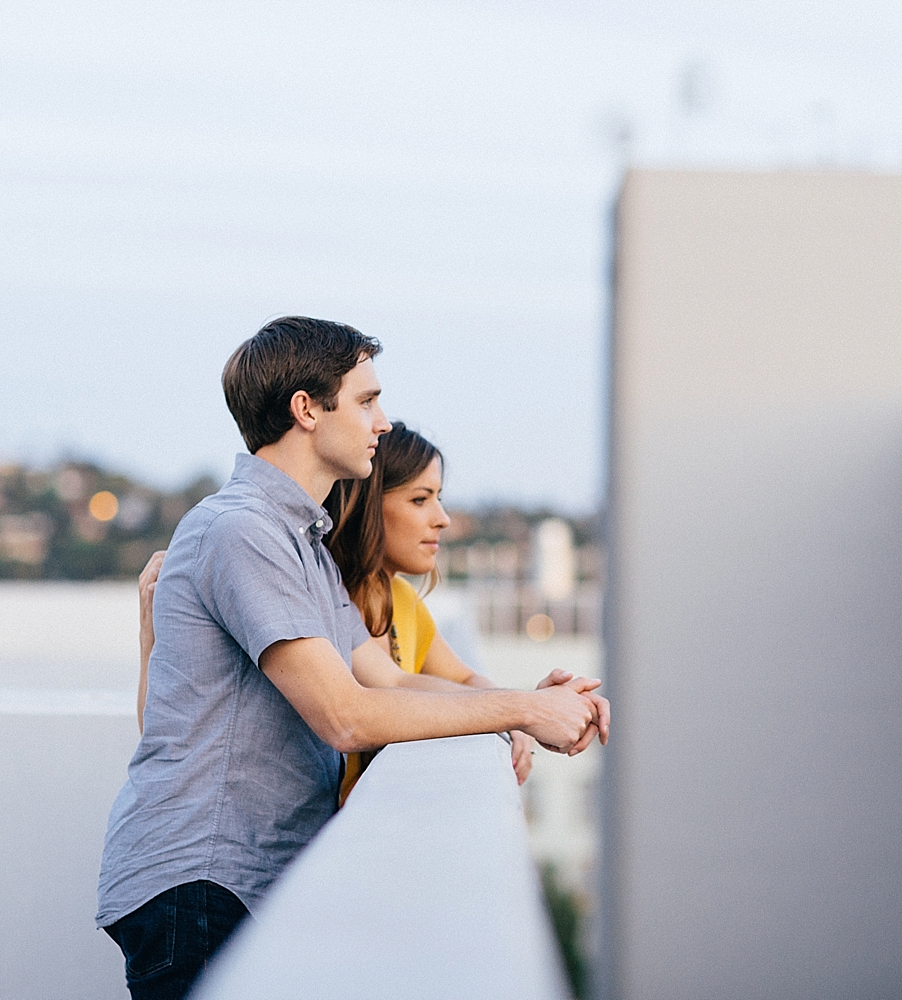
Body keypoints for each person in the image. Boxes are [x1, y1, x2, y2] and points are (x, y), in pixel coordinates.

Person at [98, 317, 608, 1000]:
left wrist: (522, 701)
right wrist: (520, 708)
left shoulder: (299, 542)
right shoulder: (241, 529)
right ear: (306, 410)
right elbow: (345, 716)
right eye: (366, 401)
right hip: (203, 882)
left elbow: (388, 677)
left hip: (237, 881)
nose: (383, 421)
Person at [135, 422, 552, 795]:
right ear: (371, 504)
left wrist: (519, 710)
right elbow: (354, 712)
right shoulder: (317, 594)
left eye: (438, 498)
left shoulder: (401, 601)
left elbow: (441, 678)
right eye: (420, 499)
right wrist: (519, 710)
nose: (442, 518)